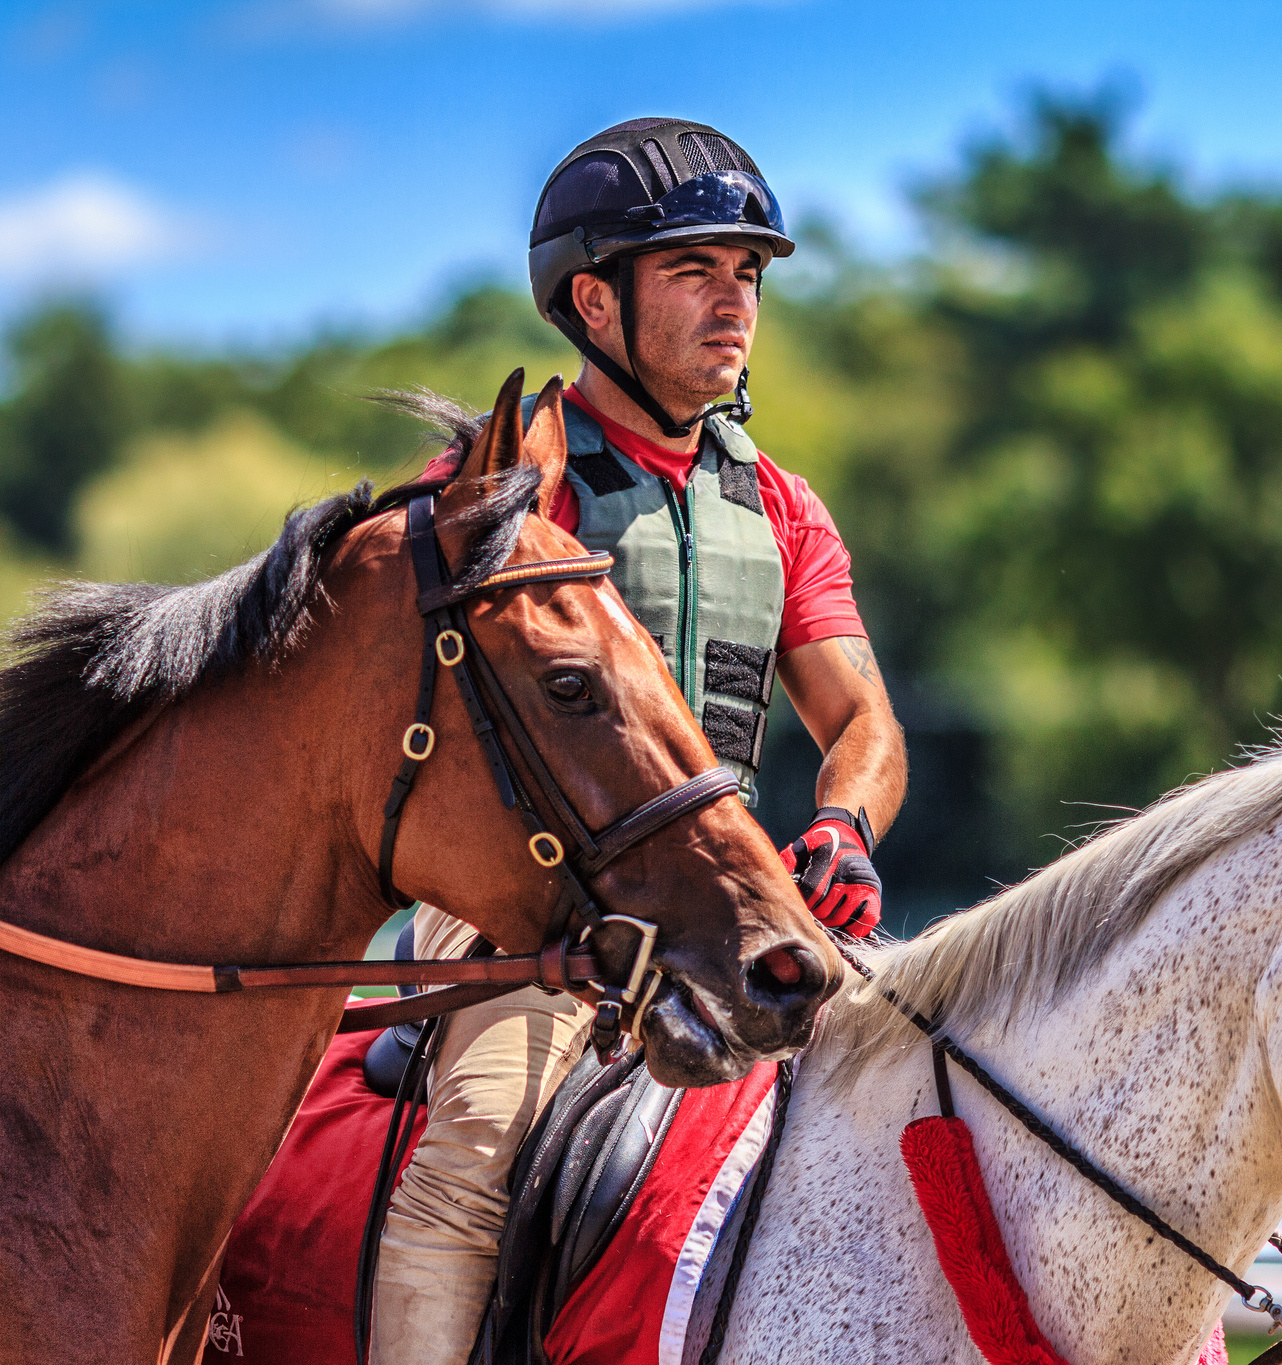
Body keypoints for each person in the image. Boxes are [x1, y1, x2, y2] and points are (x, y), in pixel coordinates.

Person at [368, 118, 910, 1364]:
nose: (734, 306)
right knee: (476, 1156)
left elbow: (861, 721)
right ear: (592, 302)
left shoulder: (776, 503)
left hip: (735, 894)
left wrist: (838, 824)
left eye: (747, 277)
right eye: (692, 273)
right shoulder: (506, 478)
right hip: (532, 901)